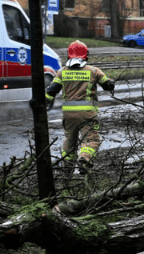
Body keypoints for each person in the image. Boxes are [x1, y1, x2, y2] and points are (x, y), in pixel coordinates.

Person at [46, 40, 114, 176]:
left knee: (69, 140)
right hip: (87, 114)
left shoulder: (62, 72)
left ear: (68, 55)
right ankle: (84, 161)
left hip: (68, 115)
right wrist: (111, 83)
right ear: (86, 55)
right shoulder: (94, 71)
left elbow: (51, 91)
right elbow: (107, 85)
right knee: (91, 139)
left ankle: (67, 168)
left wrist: (41, 103)